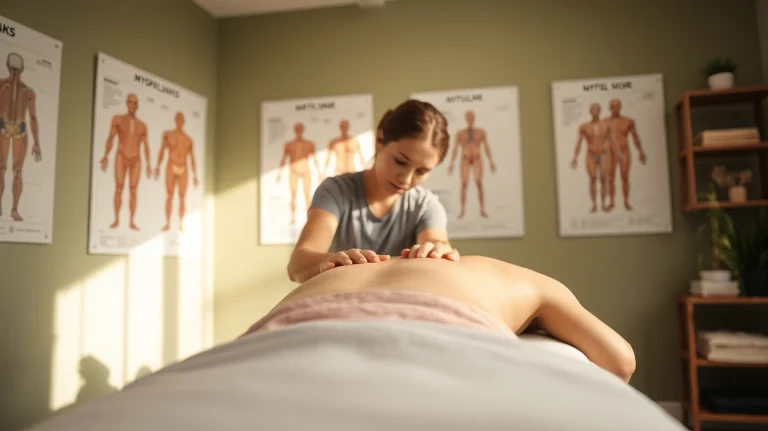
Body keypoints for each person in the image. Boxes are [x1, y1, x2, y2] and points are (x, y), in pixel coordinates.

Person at [249, 254, 636, 383]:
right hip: (445, 334)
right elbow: (619, 362)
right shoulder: (498, 273)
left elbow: (299, 263)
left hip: (275, 342)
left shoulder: (336, 270)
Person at [286, 99, 459, 284]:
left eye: (421, 171)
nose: (406, 179)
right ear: (380, 140)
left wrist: (439, 250)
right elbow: (297, 265)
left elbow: (435, 240)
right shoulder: (336, 191)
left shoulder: (426, 206)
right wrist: (326, 263)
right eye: (400, 161)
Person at [99, 93, 151, 231]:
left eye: (135, 103)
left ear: (137, 105)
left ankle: (132, 221)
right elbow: (111, 138)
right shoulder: (118, 120)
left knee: (133, 190)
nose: (132, 105)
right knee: (119, 188)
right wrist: (105, 155)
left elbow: (146, 146)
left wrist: (149, 164)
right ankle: (116, 219)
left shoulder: (142, 125)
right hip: (121, 156)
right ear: (126, 103)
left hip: (136, 159)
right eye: (130, 102)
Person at [0, 52, 41, 221]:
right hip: (3, 127)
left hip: (19, 130)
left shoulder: (28, 91)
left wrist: (37, 142)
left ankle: (14, 209)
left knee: (17, 171)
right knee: (2, 169)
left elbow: (33, 117)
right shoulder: (2, 85)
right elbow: (33, 117)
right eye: (14, 69)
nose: (15, 73)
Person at [154, 112, 199, 232]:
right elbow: (162, 150)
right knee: (169, 195)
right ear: (175, 120)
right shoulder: (168, 135)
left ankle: (181, 223)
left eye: (181, 119)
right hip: (171, 165)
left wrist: (195, 175)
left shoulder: (188, 140)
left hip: (183, 167)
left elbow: (192, 158)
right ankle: (167, 223)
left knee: (182, 197)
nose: (179, 120)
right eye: (178, 118)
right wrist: (157, 166)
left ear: (183, 121)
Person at [447, 110, 496, 219]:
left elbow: (486, 147)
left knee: (479, 182)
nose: (470, 119)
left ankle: (482, 210)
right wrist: (451, 163)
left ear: (474, 118)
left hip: (477, 158)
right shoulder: (460, 133)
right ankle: (462, 210)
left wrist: (491, 162)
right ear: (466, 118)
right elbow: (455, 149)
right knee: (464, 184)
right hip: (465, 158)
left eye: (472, 117)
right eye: (468, 117)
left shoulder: (481, 132)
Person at [570, 103, 616, 213]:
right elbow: (579, 142)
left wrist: (618, 153)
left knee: (604, 179)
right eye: (593, 109)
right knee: (592, 179)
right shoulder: (584, 126)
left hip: (604, 154)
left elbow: (611, 140)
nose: (595, 111)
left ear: (600, 111)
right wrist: (575, 157)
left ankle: (603, 203)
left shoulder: (606, 125)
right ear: (590, 111)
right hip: (591, 154)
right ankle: (594, 204)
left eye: (597, 109)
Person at [604, 98, 646, 211]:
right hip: (610, 152)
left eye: (617, 106)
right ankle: (611, 202)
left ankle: (626, 201)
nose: (615, 108)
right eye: (613, 106)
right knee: (610, 177)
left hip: (624, 150)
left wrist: (641, 151)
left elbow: (635, 136)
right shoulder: (604, 121)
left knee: (625, 176)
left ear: (621, 107)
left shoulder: (628, 121)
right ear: (609, 107)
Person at [276, 122, 322, 225]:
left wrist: (319, 173)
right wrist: (279, 173)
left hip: (305, 171)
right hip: (293, 171)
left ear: (302, 130)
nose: (298, 130)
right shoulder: (289, 144)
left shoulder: (310, 144)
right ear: (294, 130)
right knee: (293, 195)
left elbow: (314, 159)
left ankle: (309, 219)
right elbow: (284, 159)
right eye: (297, 129)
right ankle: (293, 218)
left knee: (307, 195)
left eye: (300, 128)